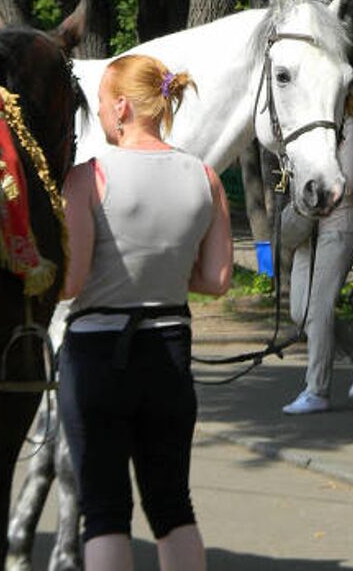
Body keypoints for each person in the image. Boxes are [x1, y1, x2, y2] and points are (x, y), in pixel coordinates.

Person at [58, 54, 233, 571]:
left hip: (96, 354)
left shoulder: (88, 178)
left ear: (119, 107)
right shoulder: (206, 177)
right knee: (172, 504)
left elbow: (70, 283)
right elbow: (216, 281)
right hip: (170, 353)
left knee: (105, 511)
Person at [282, 81, 353, 414]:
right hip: (307, 227)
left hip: (338, 228)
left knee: (319, 309)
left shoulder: (350, 132)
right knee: (301, 312)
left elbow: (348, 186)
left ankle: (317, 390)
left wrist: (309, 195)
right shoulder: (315, 135)